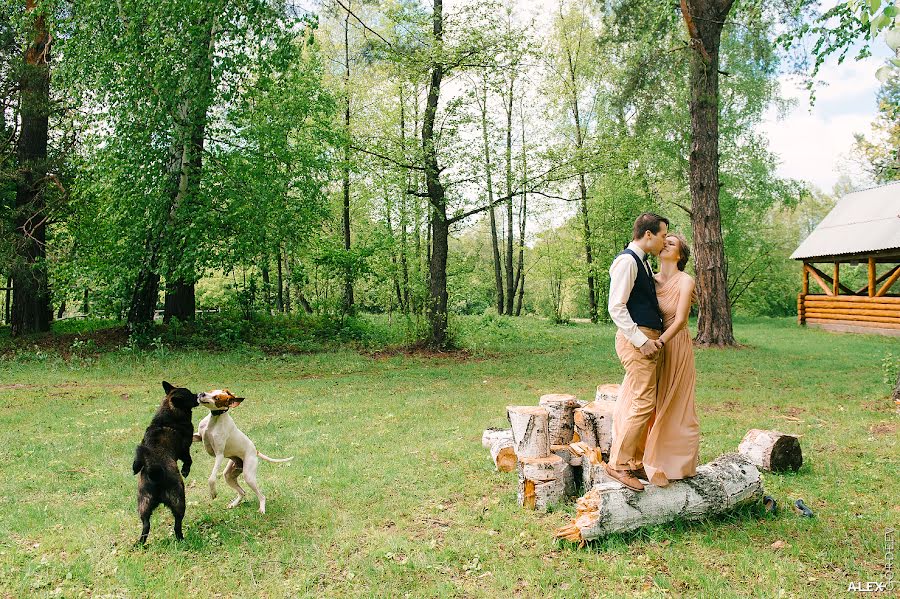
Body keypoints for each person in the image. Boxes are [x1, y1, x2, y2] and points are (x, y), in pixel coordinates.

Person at [604, 213, 668, 491]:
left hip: (647, 337)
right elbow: (616, 307)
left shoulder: (642, 263)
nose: (665, 240)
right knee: (642, 402)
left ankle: (632, 460)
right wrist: (642, 341)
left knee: (645, 403)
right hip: (635, 340)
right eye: (663, 235)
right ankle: (618, 464)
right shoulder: (627, 261)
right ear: (649, 234)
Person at [639, 232, 700, 487]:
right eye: (665, 241)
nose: (665, 244)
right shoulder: (649, 280)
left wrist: (660, 342)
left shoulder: (686, 280)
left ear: (680, 255)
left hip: (674, 343)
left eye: (671, 243)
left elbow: (682, 319)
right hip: (652, 342)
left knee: (675, 402)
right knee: (650, 400)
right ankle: (644, 457)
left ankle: (676, 463)